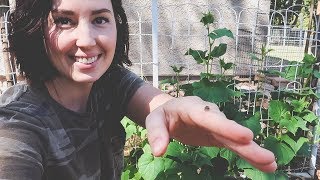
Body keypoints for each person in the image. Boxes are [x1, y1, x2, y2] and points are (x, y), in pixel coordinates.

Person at [0, 0, 277, 179]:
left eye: (100, 19)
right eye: (64, 20)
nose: (86, 40)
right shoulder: (18, 124)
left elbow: (160, 107)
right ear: (34, 28)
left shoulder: (109, 83)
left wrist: (175, 109)